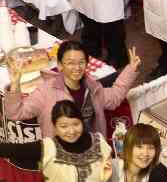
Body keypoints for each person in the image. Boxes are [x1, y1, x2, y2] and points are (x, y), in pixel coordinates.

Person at [5, 40, 141, 138]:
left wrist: (131, 69)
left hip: (91, 151)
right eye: (70, 63)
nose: (77, 68)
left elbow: (114, 97)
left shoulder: (92, 87)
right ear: (59, 65)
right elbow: (16, 113)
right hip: (61, 159)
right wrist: (15, 85)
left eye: (81, 62)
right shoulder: (46, 91)